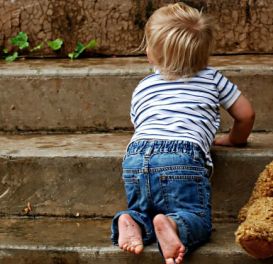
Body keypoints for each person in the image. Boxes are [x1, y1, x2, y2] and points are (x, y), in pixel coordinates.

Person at [109, 2, 255, 264]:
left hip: (136, 155)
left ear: (152, 54)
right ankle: (174, 226)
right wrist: (234, 140)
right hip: (182, 156)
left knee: (143, 207)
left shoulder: (144, 86)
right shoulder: (212, 78)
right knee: (195, 217)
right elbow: (246, 115)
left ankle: (130, 220)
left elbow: (140, 122)